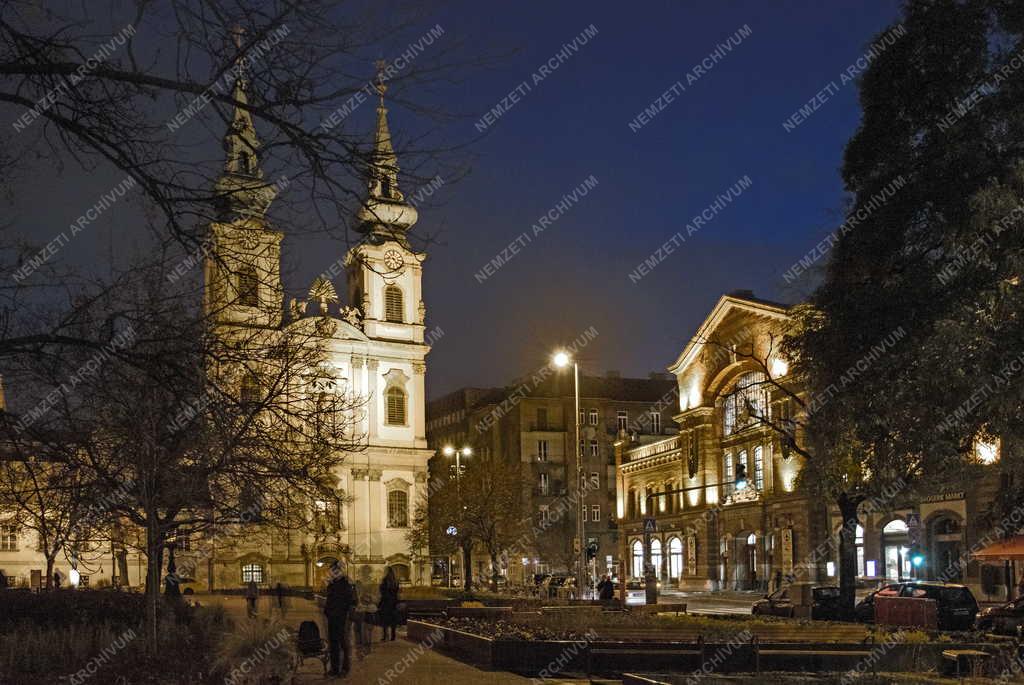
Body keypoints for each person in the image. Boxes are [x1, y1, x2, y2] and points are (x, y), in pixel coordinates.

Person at [324, 563, 357, 677]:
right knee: (333, 643)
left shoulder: (346, 583)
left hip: (342, 618)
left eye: (333, 571)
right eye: (331, 572)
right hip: (332, 617)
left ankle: (345, 668)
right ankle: (334, 669)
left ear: (338, 572)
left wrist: (346, 615)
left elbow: (352, 601)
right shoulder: (332, 584)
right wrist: (327, 612)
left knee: (343, 643)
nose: (331, 574)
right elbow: (329, 600)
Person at [378, 567, 400, 641]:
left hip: (386, 602)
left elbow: (382, 592)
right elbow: (397, 593)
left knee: (385, 620)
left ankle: (385, 636)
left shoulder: (384, 581)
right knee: (393, 620)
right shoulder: (396, 581)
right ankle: (393, 636)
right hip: (393, 602)